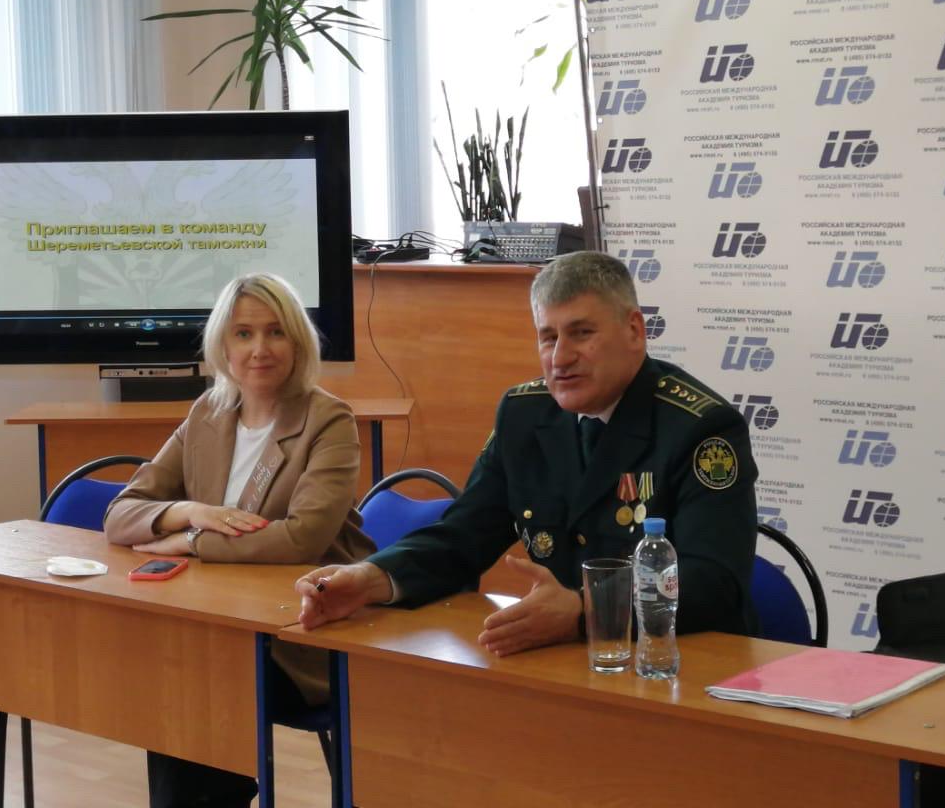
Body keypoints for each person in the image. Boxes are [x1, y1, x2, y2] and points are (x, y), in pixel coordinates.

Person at [296, 250, 757, 655]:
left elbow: (714, 582)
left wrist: (584, 610)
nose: (560, 358)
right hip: (564, 662)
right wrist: (371, 578)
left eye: (581, 333)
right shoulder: (525, 414)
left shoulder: (700, 428)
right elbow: (463, 537)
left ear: (634, 330)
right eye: (548, 337)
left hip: (671, 664)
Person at [104, 272, 373, 808]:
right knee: (172, 669)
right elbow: (120, 515)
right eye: (243, 334)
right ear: (223, 347)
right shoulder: (208, 413)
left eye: (276, 332)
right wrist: (189, 511)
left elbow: (302, 539)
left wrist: (192, 542)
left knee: (192, 676)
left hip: (301, 634)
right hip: (215, 624)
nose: (259, 349)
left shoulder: (328, 420)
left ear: (298, 342)